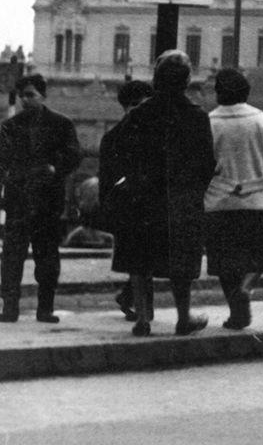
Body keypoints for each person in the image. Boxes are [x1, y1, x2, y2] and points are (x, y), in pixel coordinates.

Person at [105, 51, 215, 336]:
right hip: (180, 198)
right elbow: (206, 163)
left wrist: (127, 179)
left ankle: (142, 319)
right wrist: (194, 191)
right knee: (181, 262)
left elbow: (114, 148)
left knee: (141, 260)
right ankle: (183, 318)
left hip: (141, 196)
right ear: (188, 80)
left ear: (155, 77)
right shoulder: (196, 116)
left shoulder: (140, 113)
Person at [204, 68, 263, 330]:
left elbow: (202, 165)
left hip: (219, 202)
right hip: (258, 202)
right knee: (256, 258)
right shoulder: (262, 121)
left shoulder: (209, 122)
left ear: (219, 92)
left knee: (223, 262)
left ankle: (236, 312)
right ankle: (246, 288)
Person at [0, 73, 82, 324]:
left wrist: (55, 167)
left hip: (48, 201)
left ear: (42, 96)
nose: (25, 101)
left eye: (30, 95)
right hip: (18, 200)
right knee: (11, 257)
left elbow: (74, 156)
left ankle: (45, 309)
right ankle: (9, 308)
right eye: (22, 96)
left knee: (47, 257)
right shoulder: (11, 126)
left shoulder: (61, 124)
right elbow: (0, 162)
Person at [96, 78, 152, 320]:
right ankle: (141, 311)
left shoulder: (115, 135)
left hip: (136, 205)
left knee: (142, 261)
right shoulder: (118, 137)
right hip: (131, 205)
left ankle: (134, 302)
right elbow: (107, 179)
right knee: (142, 261)